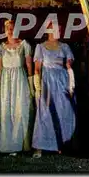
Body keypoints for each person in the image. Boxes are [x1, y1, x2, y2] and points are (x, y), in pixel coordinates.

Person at [32, 24, 76, 158]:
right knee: (45, 113)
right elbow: (37, 69)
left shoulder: (65, 47)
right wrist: (37, 86)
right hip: (47, 82)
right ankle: (40, 146)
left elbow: (69, 66)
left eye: (60, 29)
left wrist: (71, 84)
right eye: (56, 29)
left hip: (62, 81)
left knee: (64, 110)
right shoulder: (40, 47)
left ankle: (60, 144)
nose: (59, 31)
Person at [0, 20, 34, 155]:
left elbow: (29, 66)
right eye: (8, 29)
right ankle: (7, 144)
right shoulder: (1, 47)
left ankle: (21, 143)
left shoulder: (24, 45)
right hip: (6, 81)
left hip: (20, 79)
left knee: (19, 109)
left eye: (12, 28)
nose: (10, 31)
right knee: (6, 110)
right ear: (4, 31)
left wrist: (31, 84)